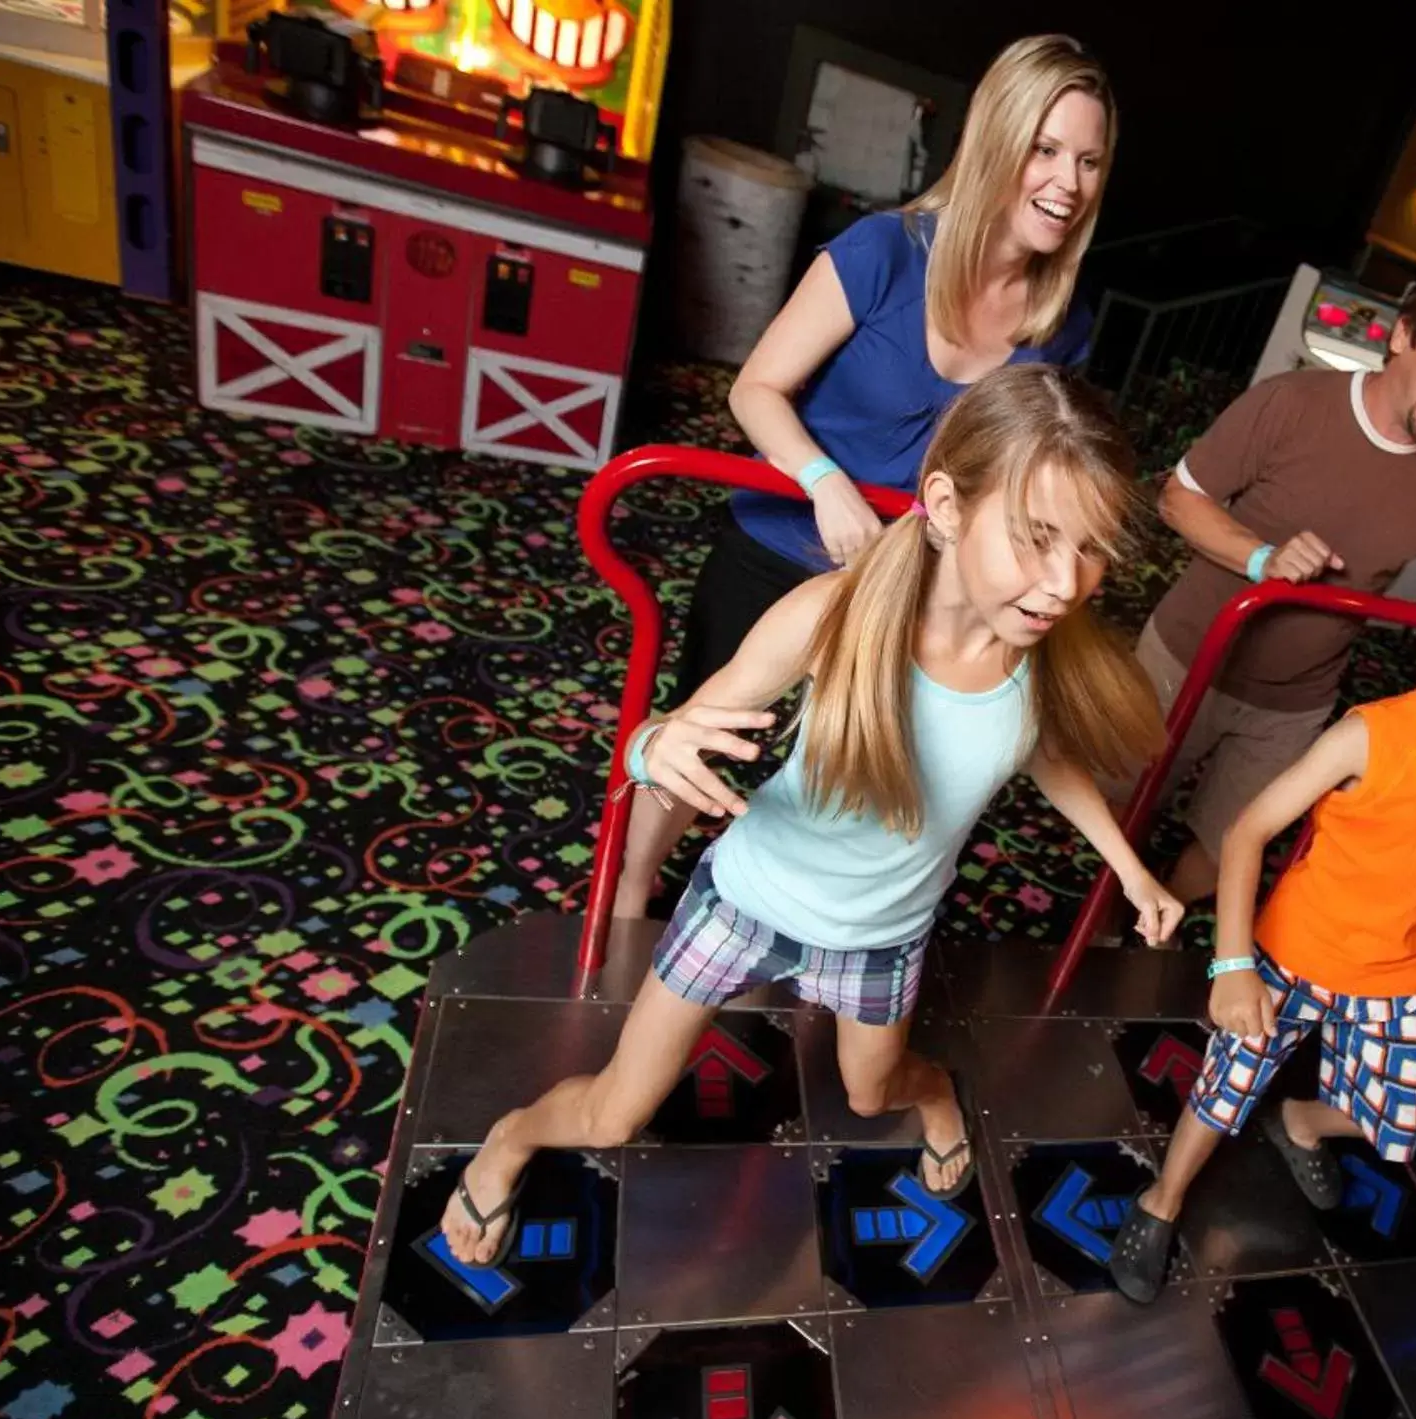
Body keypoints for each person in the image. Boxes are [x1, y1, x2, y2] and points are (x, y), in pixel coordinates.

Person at [442, 367, 1181, 1263]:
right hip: (744, 903)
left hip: (881, 937)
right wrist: (652, 751)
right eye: (1035, 538)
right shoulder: (831, 617)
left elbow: (1044, 754)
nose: (1066, 584)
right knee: (611, 1116)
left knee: (876, 1096)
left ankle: (938, 1092)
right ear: (945, 506)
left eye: (1091, 548)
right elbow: (666, 733)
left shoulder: (1037, 655)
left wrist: (1129, 867)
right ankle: (511, 1139)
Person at [614, 34, 1117, 918]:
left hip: (906, 580)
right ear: (996, 139)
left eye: (1087, 160)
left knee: (856, 770)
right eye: (1045, 149)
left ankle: (819, 933)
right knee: (716, 729)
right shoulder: (885, 250)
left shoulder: (1060, 324)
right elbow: (756, 389)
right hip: (782, 543)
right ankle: (625, 898)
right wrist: (823, 479)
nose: (1067, 182)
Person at [1107, 549, 1416, 1304]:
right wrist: (1231, 964)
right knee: (1223, 1091)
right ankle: (1163, 1201)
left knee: (1394, 1122)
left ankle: (1303, 1124)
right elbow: (1248, 833)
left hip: (1398, 973)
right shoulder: (1369, 736)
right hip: (1289, 955)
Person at [1130, 256, 1416, 908]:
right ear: (1404, 335)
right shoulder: (1291, 403)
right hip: (1184, 658)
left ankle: (1143, 930)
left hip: (1295, 702)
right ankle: (1092, 926)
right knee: (1124, 806)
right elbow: (1180, 499)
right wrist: (1261, 559)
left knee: (1234, 840)